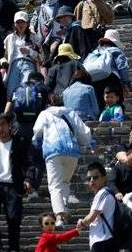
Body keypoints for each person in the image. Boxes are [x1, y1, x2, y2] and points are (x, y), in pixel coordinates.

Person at [33, 97, 94, 229]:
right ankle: (64, 211)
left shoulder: (44, 113)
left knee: (55, 185)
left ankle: (59, 216)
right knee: (65, 182)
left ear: (49, 103)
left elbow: (37, 131)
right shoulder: (70, 112)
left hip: (53, 151)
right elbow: (85, 132)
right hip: (72, 152)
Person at [0, 113, 32, 252]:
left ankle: (13, 247)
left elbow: (29, 163)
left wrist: (28, 179)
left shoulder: (20, 143)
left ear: (9, 125)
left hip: (13, 185)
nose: (1, 128)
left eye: (3, 124)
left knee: (13, 218)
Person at [77, 161, 118, 251]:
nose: (91, 180)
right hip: (104, 241)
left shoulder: (102, 193)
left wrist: (82, 222)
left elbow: (91, 217)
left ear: (104, 178)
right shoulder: (104, 193)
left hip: (103, 240)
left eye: (95, 177)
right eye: (89, 178)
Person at [3, 10, 43, 96]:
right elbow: (3, 55)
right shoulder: (9, 38)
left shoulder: (35, 37)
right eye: (18, 22)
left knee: (27, 88)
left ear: (27, 23)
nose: (20, 24)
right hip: (14, 64)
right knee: (11, 89)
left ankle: (26, 107)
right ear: (14, 24)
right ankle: (12, 108)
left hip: (29, 63)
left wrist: (29, 51)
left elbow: (41, 57)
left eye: (23, 22)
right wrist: (3, 62)